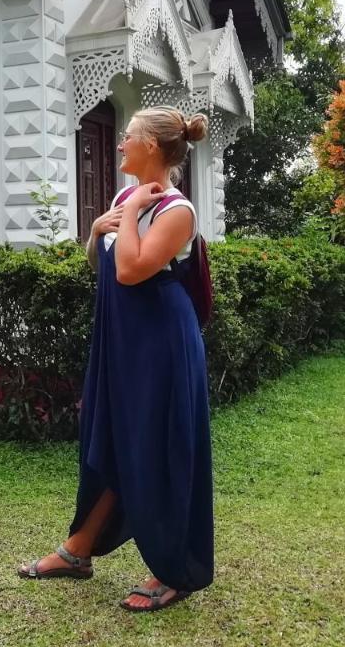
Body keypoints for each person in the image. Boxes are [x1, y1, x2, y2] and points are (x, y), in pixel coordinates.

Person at [18, 106, 212, 612]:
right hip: (121, 337)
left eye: (127, 137)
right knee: (110, 437)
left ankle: (170, 570)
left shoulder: (177, 210)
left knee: (157, 444)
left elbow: (130, 271)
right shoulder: (127, 196)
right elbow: (101, 262)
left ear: (151, 146)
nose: (120, 144)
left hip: (161, 342)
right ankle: (78, 551)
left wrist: (123, 219)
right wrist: (96, 230)